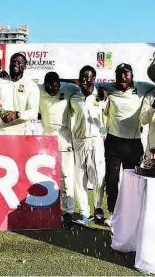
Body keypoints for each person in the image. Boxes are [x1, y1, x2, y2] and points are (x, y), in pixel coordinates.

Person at [97, 63, 155, 226]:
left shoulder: (143, 87)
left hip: (134, 144)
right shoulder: (108, 87)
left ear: (132, 77)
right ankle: (114, 214)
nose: (122, 78)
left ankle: (133, 214)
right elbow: (92, 86)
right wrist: (101, 91)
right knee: (112, 180)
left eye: (126, 75)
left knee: (134, 182)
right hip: (113, 142)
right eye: (119, 75)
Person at [38, 71, 80, 228]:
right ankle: (46, 209)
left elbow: (79, 85)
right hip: (46, 139)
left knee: (66, 177)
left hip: (64, 139)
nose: (52, 91)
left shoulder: (68, 88)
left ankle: (68, 212)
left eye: (55, 87)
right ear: (45, 84)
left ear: (59, 84)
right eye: (49, 88)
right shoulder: (38, 89)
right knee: (46, 176)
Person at [69, 66, 106, 225]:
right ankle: (85, 212)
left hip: (95, 140)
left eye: (87, 77)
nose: (84, 80)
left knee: (98, 176)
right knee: (80, 179)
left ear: (94, 78)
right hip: (78, 141)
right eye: (82, 76)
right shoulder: (74, 97)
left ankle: (98, 208)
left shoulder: (102, 95)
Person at [0, 52, 40, 135]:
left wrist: (17, 114)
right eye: (13, 62)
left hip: (22, 133)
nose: (15, 64)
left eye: (19, 62)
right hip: (0, 132)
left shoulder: (31, 85)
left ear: (25, 66)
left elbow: (34, 112)